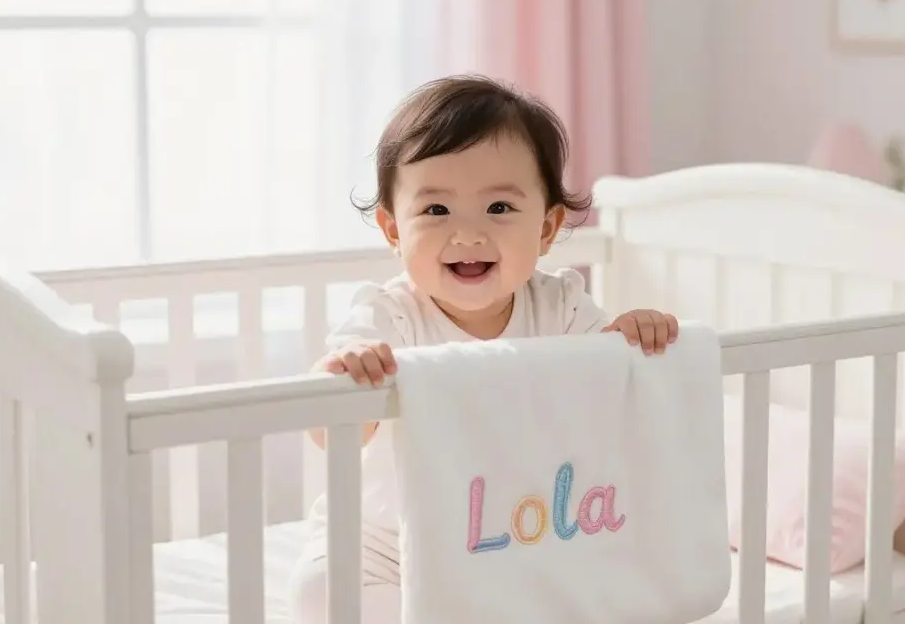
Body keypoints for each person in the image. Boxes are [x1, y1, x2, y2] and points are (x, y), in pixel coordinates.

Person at [288, 74, 678, 624]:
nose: (468, 234)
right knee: (321, 592)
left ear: (546, 229)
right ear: (392, 229)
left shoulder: (560, 306)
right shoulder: (388, 316)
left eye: (498, 208)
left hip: (509, 537)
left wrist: (634, 337)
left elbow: (611, 389)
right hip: (381, 542)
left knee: (591, 587)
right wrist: (344, 377)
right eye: (436, 211)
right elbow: (330, 429)